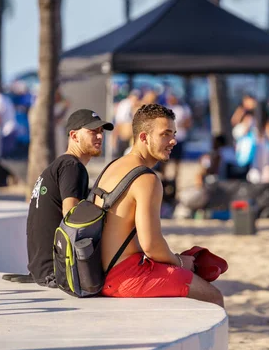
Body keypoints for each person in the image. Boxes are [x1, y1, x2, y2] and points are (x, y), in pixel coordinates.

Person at [96, 104, 224, 307]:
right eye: (165, 134)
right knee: (213, 298)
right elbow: (151, 245)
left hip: (99, 273)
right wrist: (181, 262)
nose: (173, 141)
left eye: (174, 133)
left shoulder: (113, 166)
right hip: (124, 277)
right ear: (144, 138)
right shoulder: (146, 179)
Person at [26, 109, 114, 286]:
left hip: (41, 270)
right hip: (57, 273)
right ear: (74, 135)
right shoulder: (71, 166)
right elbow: (72, 218)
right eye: (92, 132)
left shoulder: (60, 165)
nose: (99, 137)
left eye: (101, 132)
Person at [165, 92, 192, 179]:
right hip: (167, 139)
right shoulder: (165, 108)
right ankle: (165, 178)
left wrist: (181, 124)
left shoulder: (183, 108)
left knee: (177, 160)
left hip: (179, 138)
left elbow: (188, 123)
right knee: (165, 159)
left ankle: (175, 178)